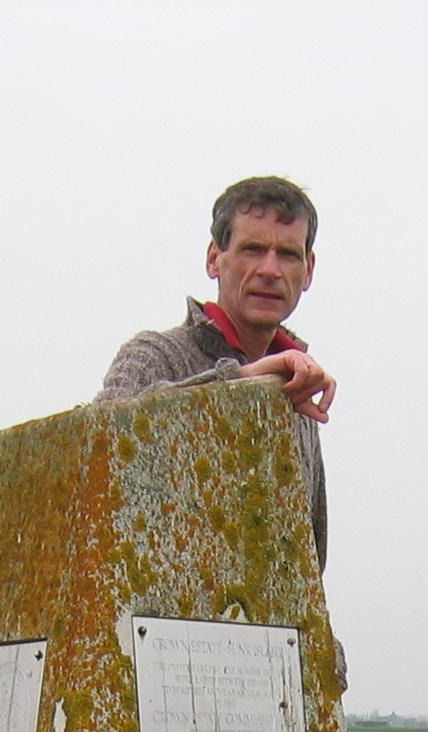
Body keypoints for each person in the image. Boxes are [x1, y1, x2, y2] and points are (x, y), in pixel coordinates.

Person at [97, 176, 334, 568]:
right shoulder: (155, 354)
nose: (270, 270)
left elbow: (308, 565)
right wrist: (241, 384)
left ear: (308, 270)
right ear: (214, 259)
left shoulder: (298, 393)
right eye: (253, 249)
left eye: (288, 254)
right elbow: (99, 442)